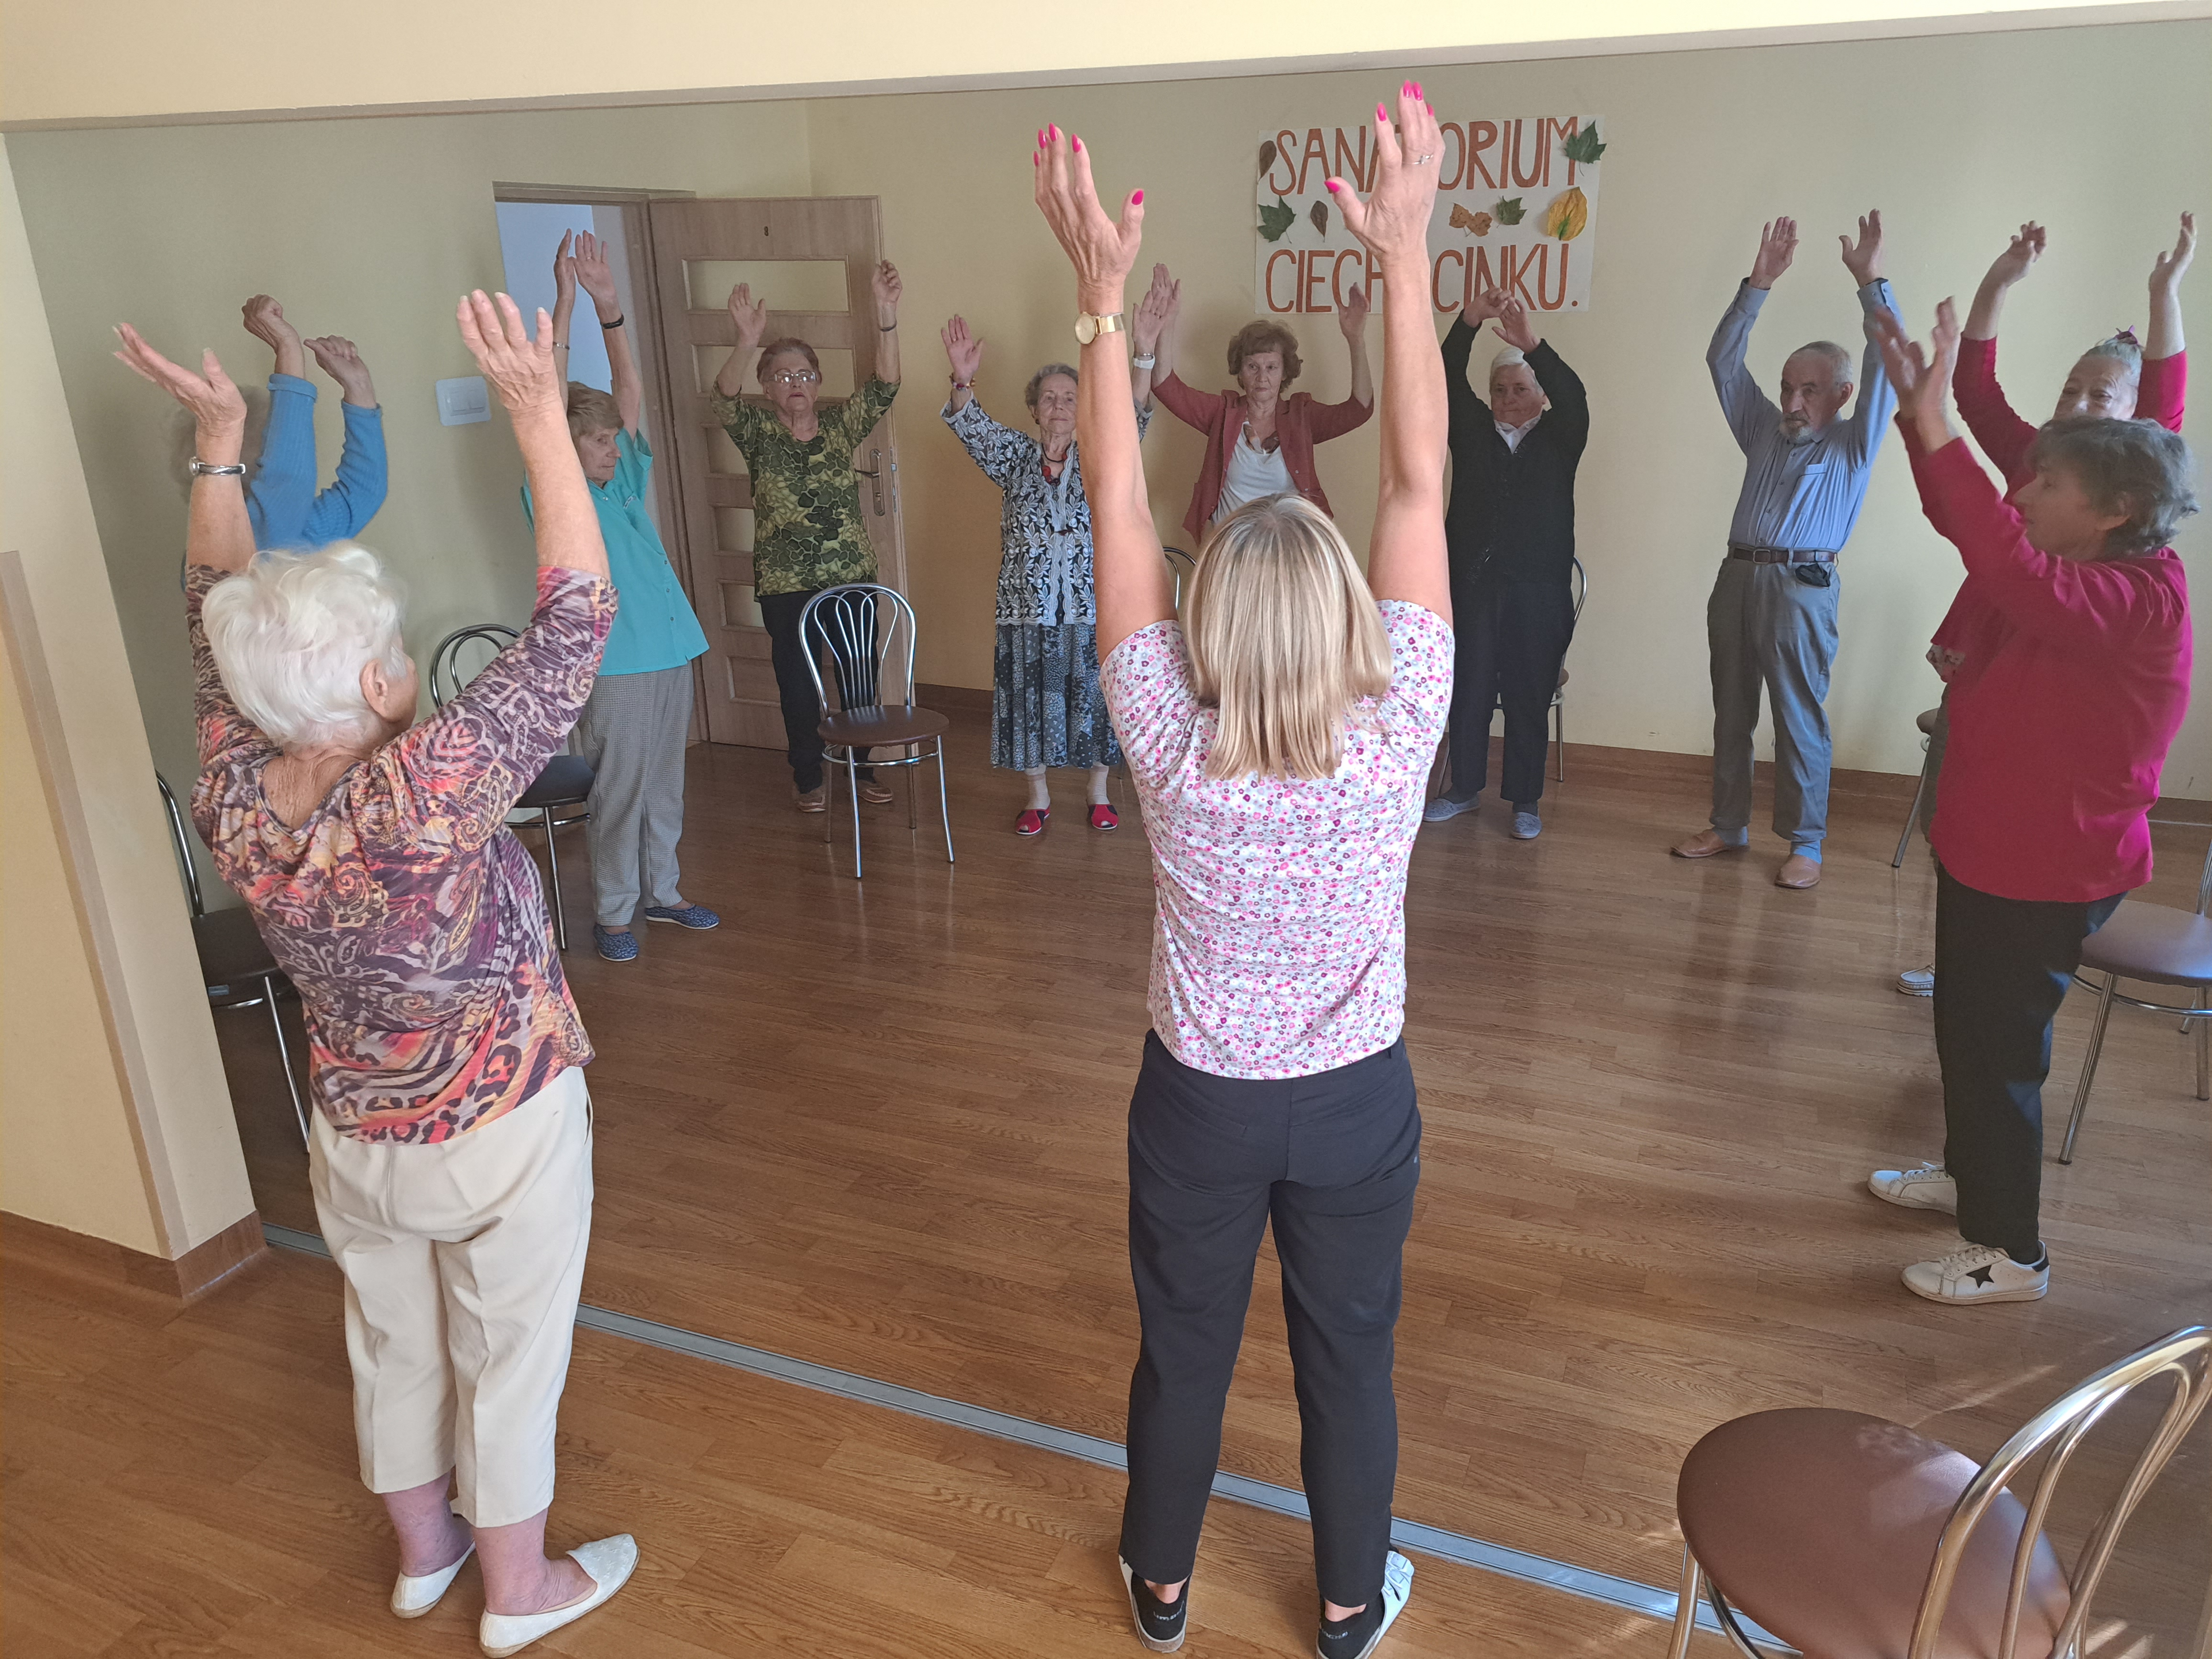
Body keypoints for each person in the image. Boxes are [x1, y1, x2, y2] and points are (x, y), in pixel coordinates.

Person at [114, 291, 638, 1655]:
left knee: (393, 1341)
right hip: (499, 1124)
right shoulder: (419, 791)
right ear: (374, 686)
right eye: (394, 655)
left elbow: (208, 613)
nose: (412, 668)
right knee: (508, 1350)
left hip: (353, 1128)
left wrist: (222, 448)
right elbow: (578, 623)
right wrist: (536, 419)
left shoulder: (238, 781)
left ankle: (425, 1556)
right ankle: (519, 1593)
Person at [1035, 85, 1451, 1659]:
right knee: (1351, 1350)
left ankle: (1160, 1586)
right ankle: (1348, 1609)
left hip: (1198, 1098)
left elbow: (1120, 500)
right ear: (1347, 618)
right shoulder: (1402, 713)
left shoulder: (1162, 725)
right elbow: (1415, 486)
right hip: (1352, 1099)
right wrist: (1402, 259)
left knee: (1183, 1345)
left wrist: (1098, 313)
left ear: (1211, 623)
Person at [1864, 299, 2193, 1306]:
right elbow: (1979, 535)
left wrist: (1935, 427)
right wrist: (1927, 435)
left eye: (2046, 482)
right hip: (1991, 853)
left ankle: (2008, 1252)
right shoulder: (2076, 565)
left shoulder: (2139, 596)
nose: (2024, 493)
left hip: (2045, 870)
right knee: (1964, 1034)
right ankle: (1970, 1182)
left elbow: (1996, 553)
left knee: (1997, 1053)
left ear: (2112, 508)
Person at [1897, 213, 2191, 995]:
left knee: (1996, 1000)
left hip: (2052, 839)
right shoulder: (2041, 460)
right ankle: (1961, 950)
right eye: (2072, 388)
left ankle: (1979, 958)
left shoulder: (2135, 517)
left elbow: (2002, 551)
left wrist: (2165, 293)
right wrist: (1996, 284)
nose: (2082, 403)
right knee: (1955, 812)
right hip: (1992, 671)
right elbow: (1974, 396)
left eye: (2104, 394)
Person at [1671, 213, 1900, 891]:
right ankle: (1729, 823)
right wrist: (1758, 284)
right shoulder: (1764, 429)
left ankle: (1806, 843)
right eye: (1788, 387)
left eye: (1809, 390)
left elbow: (1890, 360)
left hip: (1803, 587)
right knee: (1732, 707)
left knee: (1799, 715)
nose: (1793, 401)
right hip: (1737, 576)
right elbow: (1721, 361)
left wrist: (1871, 284)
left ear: (1842, 395)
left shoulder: (1855, 444)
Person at [531, 230, 718, 963]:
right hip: (615, 664)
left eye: (613, 439)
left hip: (672, 650)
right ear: (568, 448)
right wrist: (567, 306)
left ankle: (663, 894)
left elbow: (631, 392)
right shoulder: (557, 493)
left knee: (665, 789)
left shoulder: (626, 484)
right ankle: (613, 914)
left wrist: (614, 312)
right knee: (621, 796)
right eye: (598, 441)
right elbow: (546, 408)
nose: (613, 448)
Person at [939, 289, 1168, 835]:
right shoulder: (1015, 456)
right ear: (1034, 409)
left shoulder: (1101, 457)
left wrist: (1143, 353)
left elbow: (1132, 418)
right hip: (1026, 606)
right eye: (1049, 398)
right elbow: (970, 425)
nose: (1060, 406)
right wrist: (962, 378)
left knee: (1093, 698)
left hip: (1093, 602)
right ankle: (1037, 796)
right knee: (1030, 700)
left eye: (1070, 397)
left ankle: (1097, 793)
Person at [711, 265, 904, 811]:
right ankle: (807, 776)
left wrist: (885, 316)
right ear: (766, 385)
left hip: (849, 578)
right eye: (782, 375)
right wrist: (747, 341)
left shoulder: (841, 425)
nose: (796, 383)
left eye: (805, 374)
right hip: (785, 583)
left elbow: (887, 386)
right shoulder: (757, 432)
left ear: (819, 382)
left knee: (859, 680)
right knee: (798, 687)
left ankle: (862, 770)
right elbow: (722, 398)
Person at [1423, 288, 1589, 840]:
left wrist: (1532, 346)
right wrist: (1467, 322)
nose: (1509, 398)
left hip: (1539, 593)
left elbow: (1576, 396)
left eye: (1521, 389)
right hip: (1472, 589)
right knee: (1467, 690)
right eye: (1500, 390)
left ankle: (1525, 801)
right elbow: (1443, 377)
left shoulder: (1561, 438)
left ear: (1539, 397)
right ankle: (1463, 789)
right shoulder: (1471, 434)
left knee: (1527, 695)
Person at [1146, 262, 1373, 538]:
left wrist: (1356, 338)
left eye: (1271, 367)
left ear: (1285, 372)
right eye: (1253, 366)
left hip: (1288, 548)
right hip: (1229, 548)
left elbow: (1359, 410)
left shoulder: (1302, 416)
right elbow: (1164, 385)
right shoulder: (1223, 413)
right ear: (1240, 372)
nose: (1262, 377)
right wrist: (1167, 324)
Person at [239, 293, 388, 549]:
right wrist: (287, 348)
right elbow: (286, 483)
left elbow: (364, 491)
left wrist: (357, 385)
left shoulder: (300, 535)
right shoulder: (211, 562)